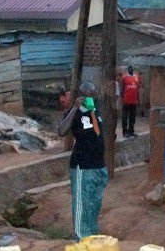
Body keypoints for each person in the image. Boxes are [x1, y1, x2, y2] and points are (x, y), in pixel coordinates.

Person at [57, 82, 109, 240]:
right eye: (85, 95)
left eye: (92, 95)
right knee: (82, 205)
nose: (89, 98)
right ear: (79, 95)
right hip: (82, 167)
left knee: (93, 206)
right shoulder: (75, 113)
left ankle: (92, 238)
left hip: (98, 167)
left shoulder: (95, 110)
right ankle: (81, 240)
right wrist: (74, 108)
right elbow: (61, 131)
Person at [121, 65, 140, 138]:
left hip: (134, 101)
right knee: (125, 116)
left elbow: (137, 90)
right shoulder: (125, 78)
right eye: (129, 69)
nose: (130, 70)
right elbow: (122, 89)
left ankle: (131, 131)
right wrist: (122, 98)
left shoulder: (136, 78)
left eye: (131, 69)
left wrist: (138, 100)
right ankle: (125, 131)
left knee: (132, 117)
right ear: (128, 70)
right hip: (126, 100)